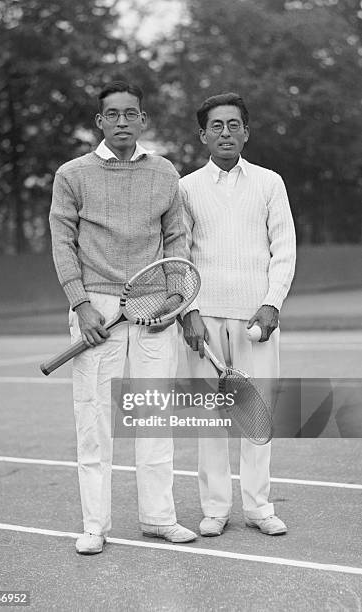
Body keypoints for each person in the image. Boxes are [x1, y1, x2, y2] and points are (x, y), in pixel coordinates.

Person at [49, 81, 197, 554]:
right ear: (99, 122)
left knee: (153, 418)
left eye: (130, 114)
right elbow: (62, 243)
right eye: (112, 115)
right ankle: (96, 525)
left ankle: (159, 518)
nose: (121, 123)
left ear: (142, 119)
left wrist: (175, 297)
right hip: (97, 308)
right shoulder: (72, 174)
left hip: (155, 307)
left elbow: (176, 237)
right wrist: (80, 302)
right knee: (94, 421)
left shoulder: (164, 172)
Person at [181, 92, 296, 537]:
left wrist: (271, 303)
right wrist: (188, 311)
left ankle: (259, 507)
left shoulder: (270, 182)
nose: (225, 132)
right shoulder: (186, 187)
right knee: (210, 419)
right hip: (203, 321)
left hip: (256, 321)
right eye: (216, 125)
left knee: (258, 414)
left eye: (233, 125)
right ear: (203, 135)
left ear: (246, 131)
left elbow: (283, 248)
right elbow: (181, 253)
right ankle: (215, 509)